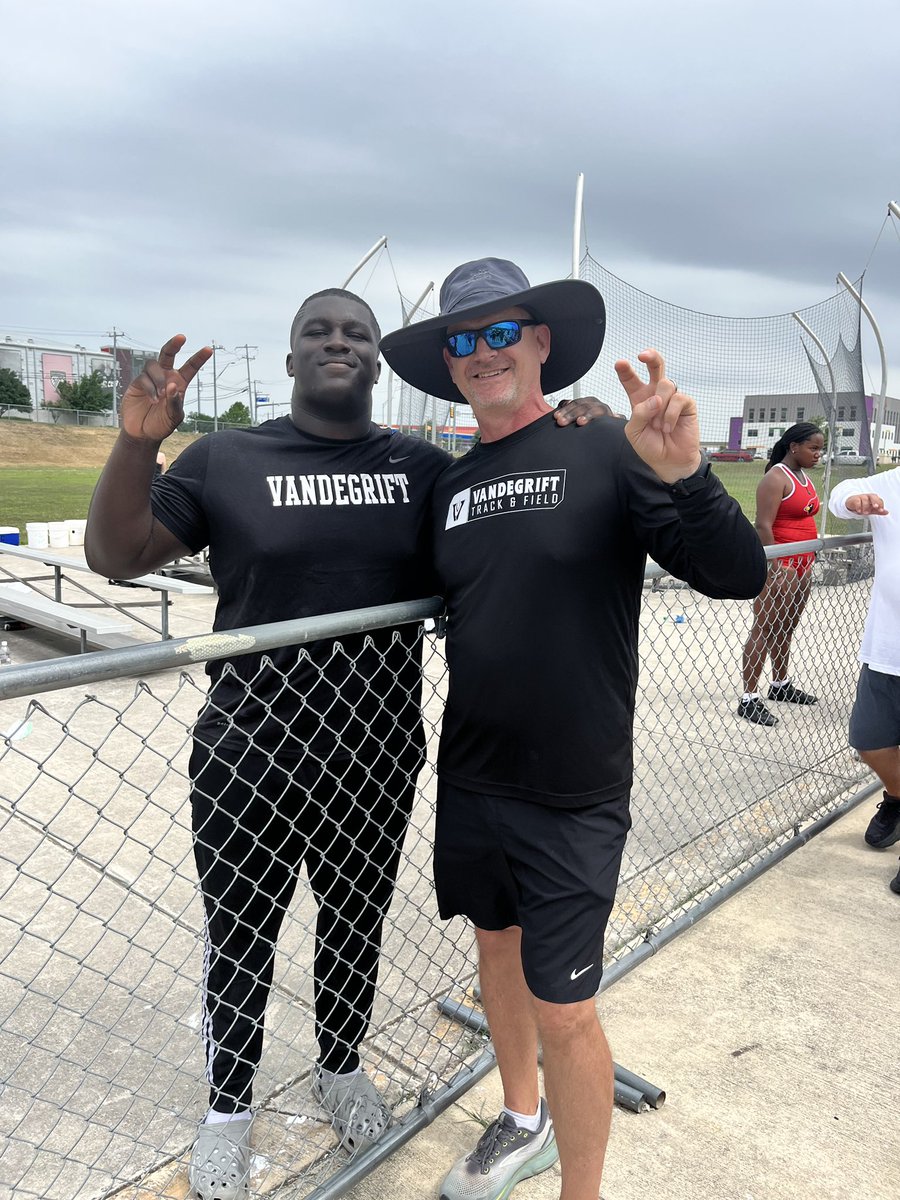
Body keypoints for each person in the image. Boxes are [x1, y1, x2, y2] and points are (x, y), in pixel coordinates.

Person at [84, 289, 605, 1200]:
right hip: (250, 749)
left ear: (378, 362)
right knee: (241, 935)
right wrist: (136, 444)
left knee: (353, 924)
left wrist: (576, 422)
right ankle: (228, 1110)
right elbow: (115, 554)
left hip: (374, 747)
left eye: (355, 334)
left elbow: (513, 495)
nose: (337, 343)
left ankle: (340, 1066)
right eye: (316, 333)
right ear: (289, 363)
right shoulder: (226, 458)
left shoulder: (418, 468)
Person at [380, 258, 767, 1200]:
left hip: (573, 788)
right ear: (447, 362)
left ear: (541, 342)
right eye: (461, 341)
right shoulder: (450, 483)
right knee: (495, 953)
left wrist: (688, 476)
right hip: (473, 776)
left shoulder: (604, 445)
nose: (481, 354)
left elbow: (738, 575)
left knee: (568, 1012)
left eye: (500, 333)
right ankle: (521, 1120)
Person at [828, 468, 900, 894]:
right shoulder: (890, 484)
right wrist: (853, 502)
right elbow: (843, 492)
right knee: (869, 740)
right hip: (888, 648)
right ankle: (896, 796)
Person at [737, 423, 825, 726]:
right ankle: (748, 699)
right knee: (763, 628)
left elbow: (805, 514)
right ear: (794, 447)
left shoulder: (804, 477)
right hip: (782, 565)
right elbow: (763, 525)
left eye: (820, 449)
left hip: (803, 565)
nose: (818, 454)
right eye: (813, 448)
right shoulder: (776, 477)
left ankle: (780, 685)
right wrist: (774, 567)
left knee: (786, 627)